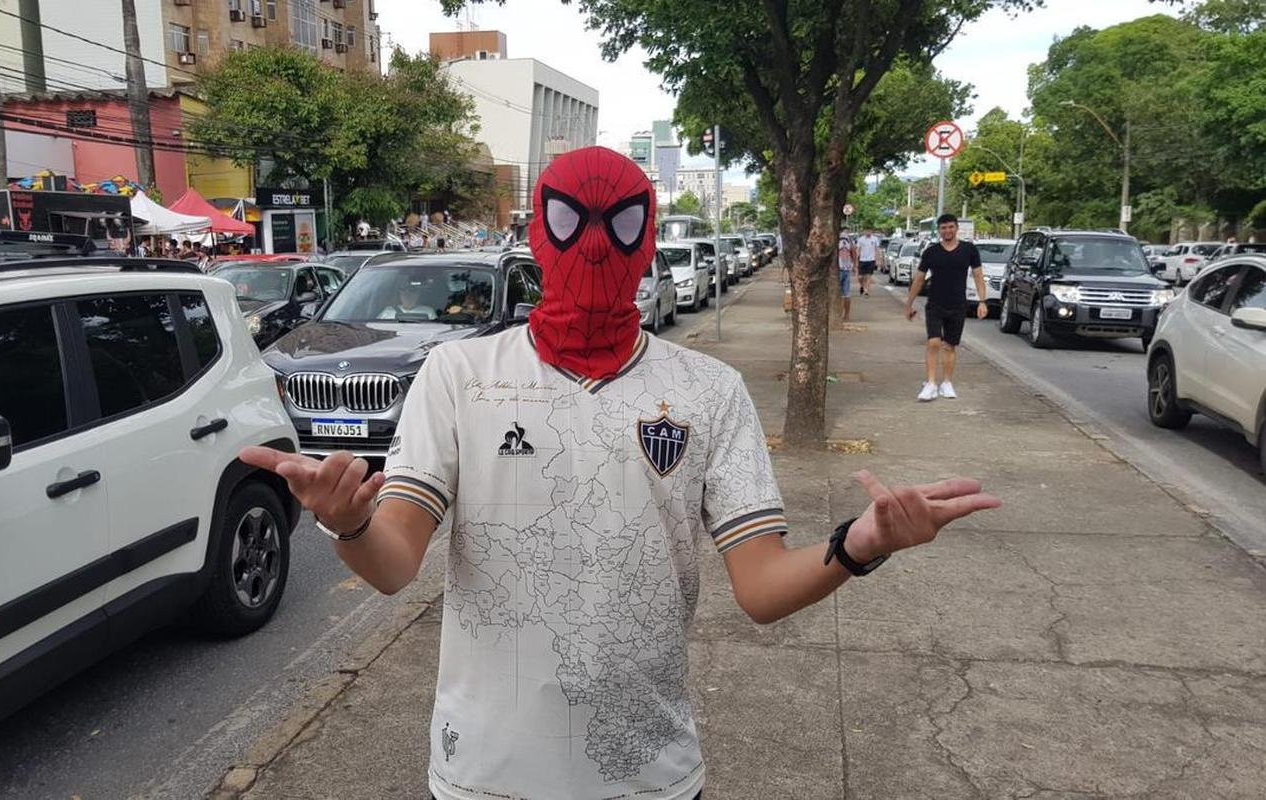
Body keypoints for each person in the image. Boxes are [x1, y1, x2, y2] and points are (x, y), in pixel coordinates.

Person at [239, 147, 1000, 800]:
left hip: (648, 774)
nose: (597, 247)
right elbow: (395, 562)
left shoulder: (709, 391)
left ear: (649, 240)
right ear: (539, 232)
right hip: (486, 775)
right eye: (572, 222)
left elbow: (762, 589)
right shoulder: (459, 375)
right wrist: (347, 522)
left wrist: (858, 546)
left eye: (623, 224)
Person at [905, 213, 987, 402]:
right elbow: (919, 278)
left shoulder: (969, 250)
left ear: (956, 228)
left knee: (949, 345)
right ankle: (931, 383)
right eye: (943, 228)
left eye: (950, 227)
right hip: (935, 304)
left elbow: (978, 276)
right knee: (933, 342)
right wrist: (909, 303)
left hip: (958, 304)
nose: (947, 231)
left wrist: (982, 302)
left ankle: (947, 382)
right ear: (939, 230)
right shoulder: (931, 252)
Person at [855, 229, 881, 296]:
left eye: (869, 230)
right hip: (862, 260)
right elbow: (858, 249)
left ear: (871, 231)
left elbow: (877, 249)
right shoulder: (860, 239)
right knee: (860, 277)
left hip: (871, 260)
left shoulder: (875, 239)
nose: (868, 232)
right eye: (866, 231)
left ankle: (866, 291)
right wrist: (856, 260)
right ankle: (862, 286)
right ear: (864, 231)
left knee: (868, 276)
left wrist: (878, 259)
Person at [837, 236, 855, 321]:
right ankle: (846, 315)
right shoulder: (848, 240)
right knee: (846, 294)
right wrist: (854, 265)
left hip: (838, 269)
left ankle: (840, 315)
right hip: (847, 269)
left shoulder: (836, 239)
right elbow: (854, 252)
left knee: (839, 295)